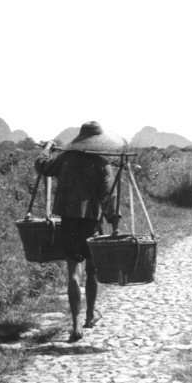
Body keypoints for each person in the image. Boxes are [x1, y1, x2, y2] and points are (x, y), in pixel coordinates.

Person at [35, 121, 125, 342]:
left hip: (69, 221)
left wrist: (47, 148)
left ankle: (75, 323)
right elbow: (108, 198)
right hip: (91, 222)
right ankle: (90, 315)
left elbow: (42, 167)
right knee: (92, 271)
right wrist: (114, 224)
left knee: (74, 272)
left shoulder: (66, 159)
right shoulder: (102, 164)